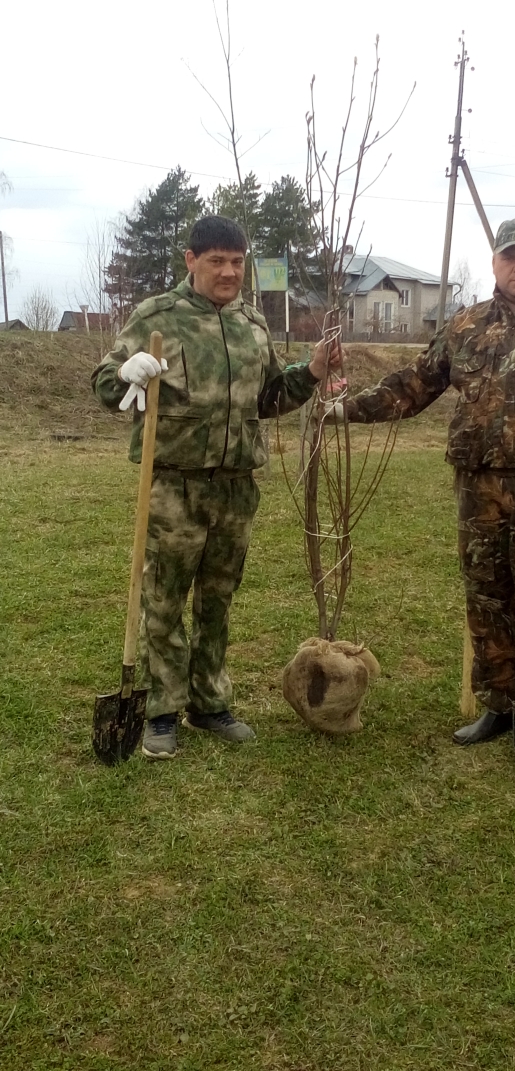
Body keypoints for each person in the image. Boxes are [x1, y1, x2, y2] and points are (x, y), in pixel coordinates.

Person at [339, 217, 515, 762]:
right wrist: (347, 409)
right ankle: (500, 702)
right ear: (495, 263)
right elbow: (416, 384)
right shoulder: (466, 325)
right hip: (479, 485)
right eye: (508, 257)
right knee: (486, 595)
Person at [93, 215, 339, 761]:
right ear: (191, 261)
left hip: (235, 488)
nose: (229, 272)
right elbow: (107, 385)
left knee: (217, 601)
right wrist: (125, 373)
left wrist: (314, 370)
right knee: (163, 600)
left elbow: (269, 398)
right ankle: (161, 710)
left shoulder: (252, 325)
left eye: (236, 262)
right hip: (174, 486)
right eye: (216, 261)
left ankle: (209, 703)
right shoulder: (157, 316)